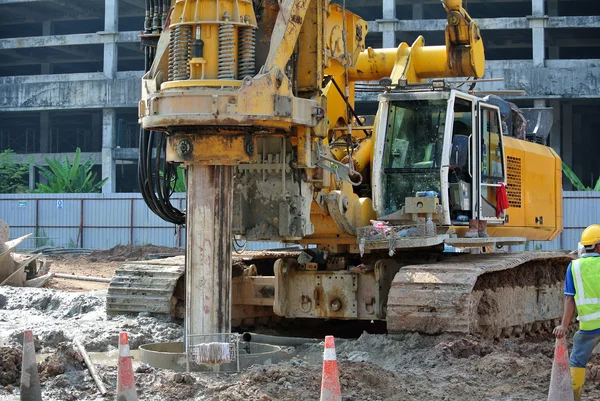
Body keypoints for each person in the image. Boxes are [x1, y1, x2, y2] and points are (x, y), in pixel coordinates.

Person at [554, 224, 600, 401]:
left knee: (577, 361)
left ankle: (575, 397)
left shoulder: (574, 267)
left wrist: (564, 326)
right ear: (598, 246)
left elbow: (569, 298)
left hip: (589, 326)